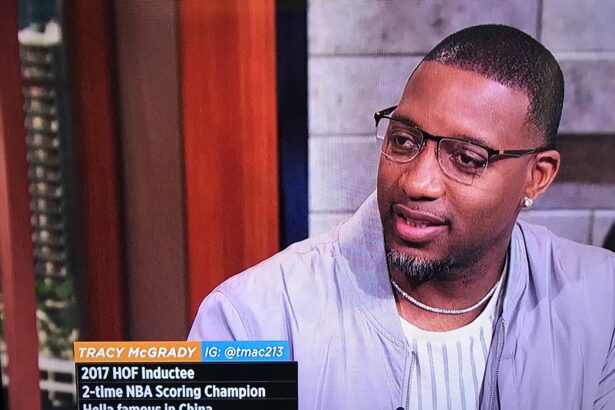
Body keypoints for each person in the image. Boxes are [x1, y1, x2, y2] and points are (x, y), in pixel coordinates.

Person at [189, 24, 615, 409]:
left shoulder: (603, 301)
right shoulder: (249, 319)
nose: (417, 182)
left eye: (466, 158)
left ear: (537, 177)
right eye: (404, 140)